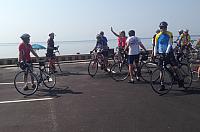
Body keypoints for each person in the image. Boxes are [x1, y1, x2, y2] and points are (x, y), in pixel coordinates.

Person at [153, 21, 184, 90]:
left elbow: (170, 44)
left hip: (169, 53)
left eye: (164, 28)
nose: (163, 29)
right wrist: (155, 54)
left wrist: (167, 52)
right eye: (161, 28)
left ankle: (181, 79)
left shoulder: (169, 34)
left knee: (175, 67)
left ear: (166, 28)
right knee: (161, 69)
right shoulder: (157, 35)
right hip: (161, 53)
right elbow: (156, 45)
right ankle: (162, 85)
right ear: (160, 28)